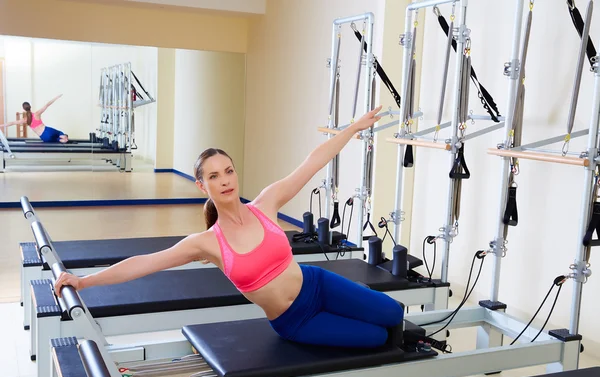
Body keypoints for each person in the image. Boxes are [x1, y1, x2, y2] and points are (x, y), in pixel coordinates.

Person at [54, 105, 405, 349]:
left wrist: (354, 128)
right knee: (375, 337)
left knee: (393, 313)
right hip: (295, 320)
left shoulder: (266, 203)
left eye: (229, 171)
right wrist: (85, 281)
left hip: (318, 284)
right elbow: (145, 263)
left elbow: (312, 162)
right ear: (201, 186)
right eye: (213, 176)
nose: (224, 181)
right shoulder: (206, 243)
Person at [0, 95, 69, 143]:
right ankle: (64, 137)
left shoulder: (25, 119)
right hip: (47, 130)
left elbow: (12, 123)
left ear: (23, 109)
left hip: (44, 137)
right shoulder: (37, 114)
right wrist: (56, 97)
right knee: (60, 133)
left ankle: (60, 139)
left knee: (55, 140)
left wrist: (1, 126)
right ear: (30, 106)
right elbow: (47, 104)